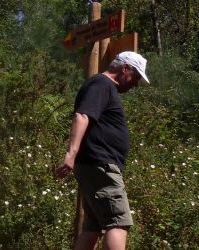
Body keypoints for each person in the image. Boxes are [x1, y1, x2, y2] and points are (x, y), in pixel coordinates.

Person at [55, 51, 150, 250]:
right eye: (136, 77)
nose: (135, 84)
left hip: (95, 165)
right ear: (125, 69)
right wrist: (70, 154)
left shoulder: (103, 86)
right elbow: (82, 115)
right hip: (101, 164)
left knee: (93, 227)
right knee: (118, 221)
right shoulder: (101, 84)